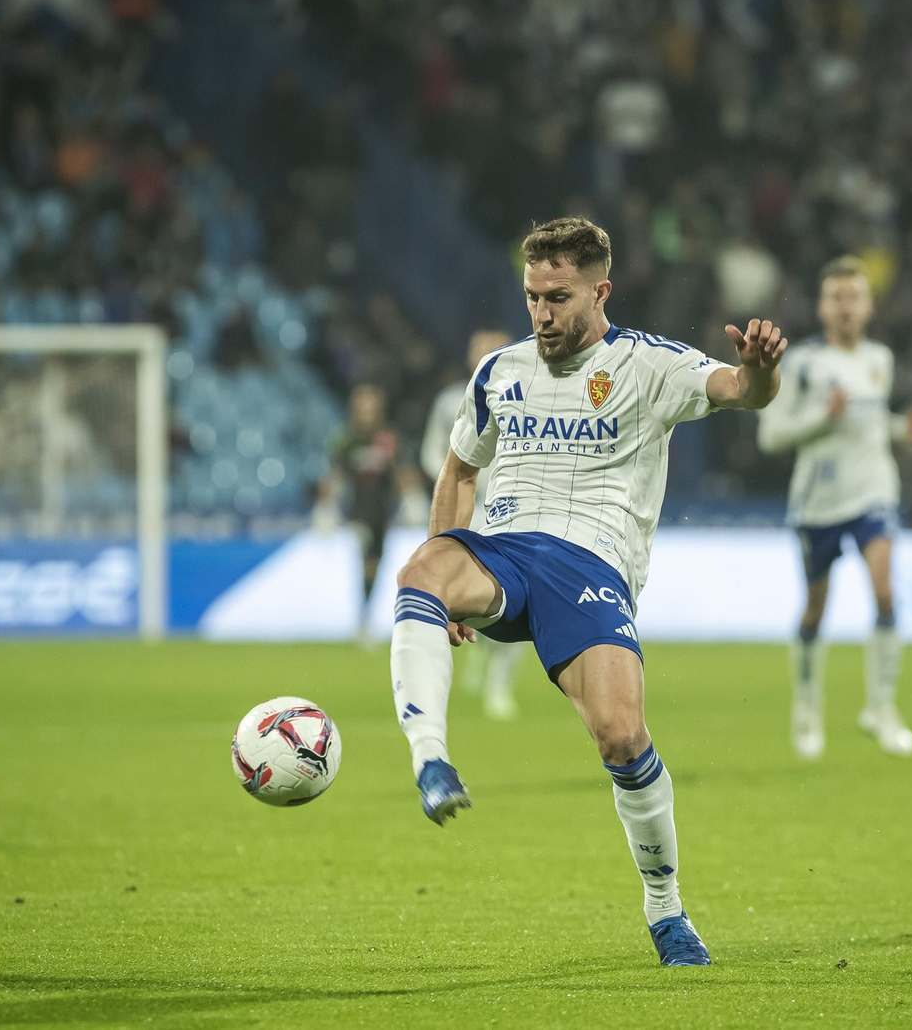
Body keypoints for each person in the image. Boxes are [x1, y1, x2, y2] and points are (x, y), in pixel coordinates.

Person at [389, 216, 788, 966]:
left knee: (621, 736)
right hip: (504, 552)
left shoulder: (650, 364)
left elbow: (742, 391)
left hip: (592, 569)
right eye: (533, 296)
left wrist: (761, 367)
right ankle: (431, 760)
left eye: (559, 297)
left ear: (600, 290)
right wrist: (446, 558)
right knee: (418, 571)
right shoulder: (499, 372)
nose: (541, 314)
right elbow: (460, 469)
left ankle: (667, 911)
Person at [757, 256, 912, 760]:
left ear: (868, 305)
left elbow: (875, 423)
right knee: (816, 609)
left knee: (884, 591)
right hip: (818, 501)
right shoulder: (802, 364)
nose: (845, 307)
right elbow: (771, 435)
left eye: (854, 297)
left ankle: (881, 708)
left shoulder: (880, 358)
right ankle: (807, 709)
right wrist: (822, 415)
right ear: (821, 306)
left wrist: (909, 431)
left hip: (873, 493)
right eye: (836, 297)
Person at [421, 329, 528, 719]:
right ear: (469, 356)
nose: (486, 356)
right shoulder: (450, 401)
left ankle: (500, 687)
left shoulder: (526, 395)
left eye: (494, 349)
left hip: (514, 512)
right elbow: (433, 454)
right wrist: (455, 481)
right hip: (469, 507)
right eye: (479, 349)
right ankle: (477, 655)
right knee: (465, 600)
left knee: (518, 604)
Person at [323, 384, 410, 638]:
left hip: (381, 511)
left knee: (374, 563)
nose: (367, 412)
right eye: (363, 407)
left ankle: (365, 617)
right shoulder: (347, 438)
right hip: (355, 509)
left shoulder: (388, 437)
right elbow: (335, 475)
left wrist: (410, 498)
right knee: (361, 552)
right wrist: (327, 506)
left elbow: (400, 471)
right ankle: (357, 617)